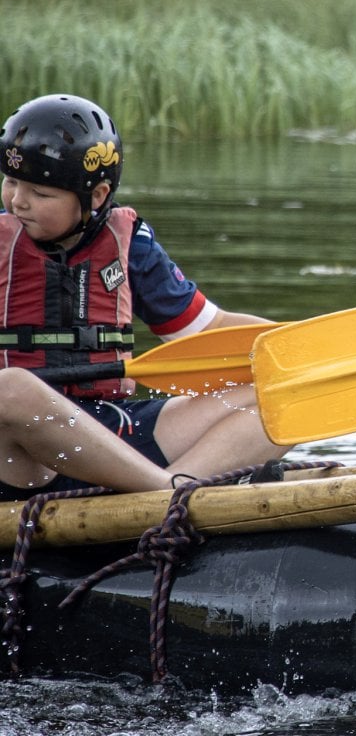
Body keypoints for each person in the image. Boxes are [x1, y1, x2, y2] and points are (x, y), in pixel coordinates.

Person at [0, 93, 291, 501]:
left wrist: (299, 350)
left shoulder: (130, 245)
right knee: (10, 390)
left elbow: (211, 329)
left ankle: (174, 490)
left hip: (114, 431)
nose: (18, 201)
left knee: (282, 401)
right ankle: (165, 495)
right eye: (11, 182)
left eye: (41, 193)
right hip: (24, 455)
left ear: (97, 196)